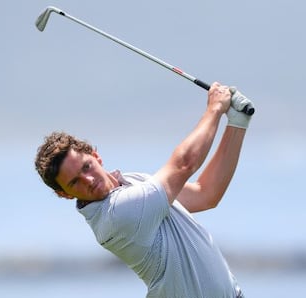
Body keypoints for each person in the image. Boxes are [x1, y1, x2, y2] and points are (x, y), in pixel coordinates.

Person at [34, 82, 253, 298]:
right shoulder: (115, 215)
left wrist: (237, 122)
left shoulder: (133, 182)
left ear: (95, 156)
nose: (89, 180)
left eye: (86, 167)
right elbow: (184, 164)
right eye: (74, 182)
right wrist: (214, 109)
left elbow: (206, 194)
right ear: (64, 194)